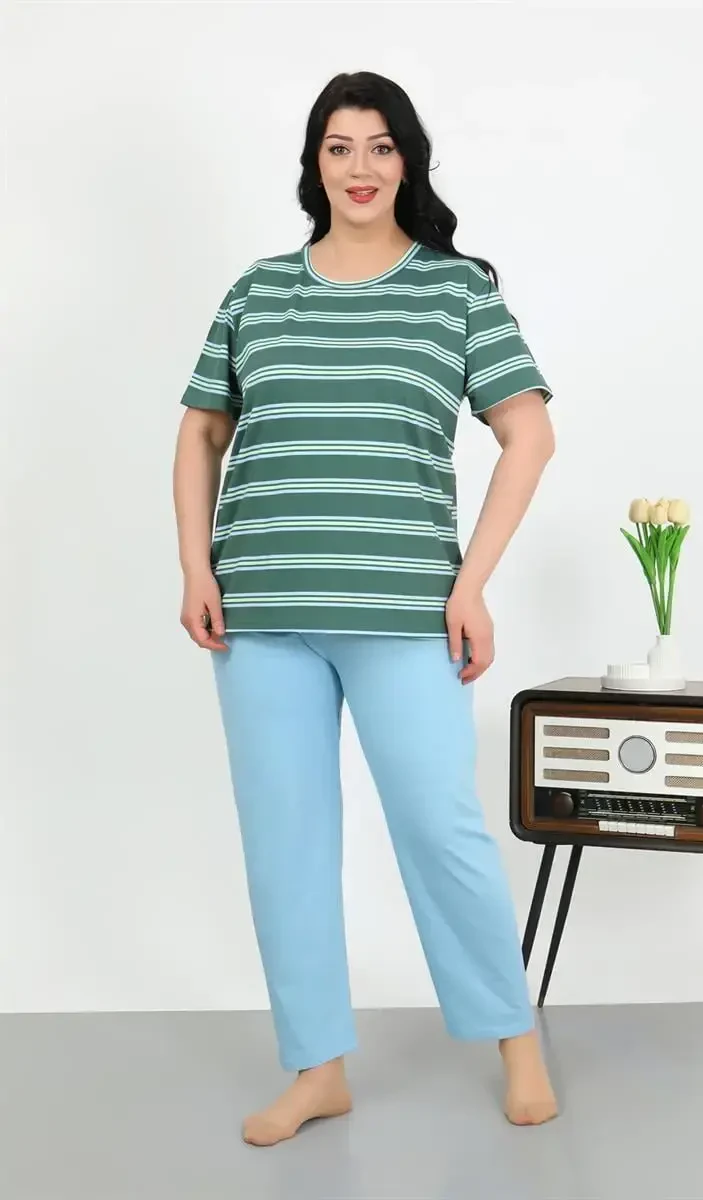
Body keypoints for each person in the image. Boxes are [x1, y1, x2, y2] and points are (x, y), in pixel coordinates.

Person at [172, 70, 558, 1148]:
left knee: (439, 825)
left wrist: (470, 582)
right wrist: (196, 567)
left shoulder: (455, 292)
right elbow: (201, 432)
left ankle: (515, 1041)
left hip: (404, 612)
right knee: (285, 841)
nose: (359, 167)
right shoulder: (258, 291)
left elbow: (527, 434)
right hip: (261, 611)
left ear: (407, 161)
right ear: (314, 163)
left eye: (380, 146)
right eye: (338, 147)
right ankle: (317, 1069)